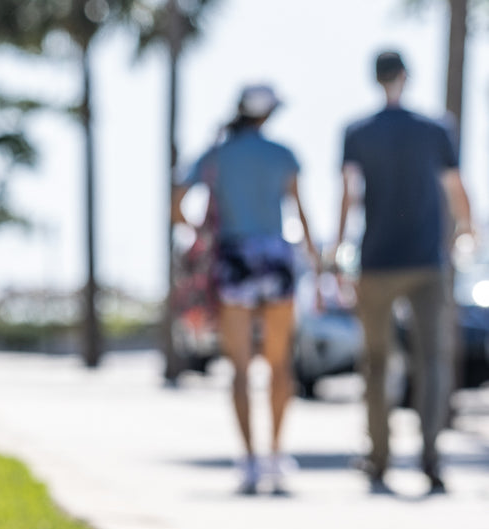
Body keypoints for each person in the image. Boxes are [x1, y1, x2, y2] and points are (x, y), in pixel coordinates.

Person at [335, 50, 474, 495]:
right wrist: (465, 236)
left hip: (375, 262)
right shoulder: (436, 129)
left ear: (374, 79)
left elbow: (347, 195)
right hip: (426, 264)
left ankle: (379, 459)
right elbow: (456, 189)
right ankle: (431, 459)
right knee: (433, 361)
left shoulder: (357, 132)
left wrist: (340, 253)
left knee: (375, 363)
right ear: (406, 76)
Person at [173, 84, 318, 495]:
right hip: (276, 258)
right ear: (268, 115)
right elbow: (300, 212)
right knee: (279, 363)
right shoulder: (283, 154)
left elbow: (177, 200)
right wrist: (316, 263)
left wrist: (195, 238)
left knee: (238, 366)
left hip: (233, 258)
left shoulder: (217, 154)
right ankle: (274, 455)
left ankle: (250, 460)